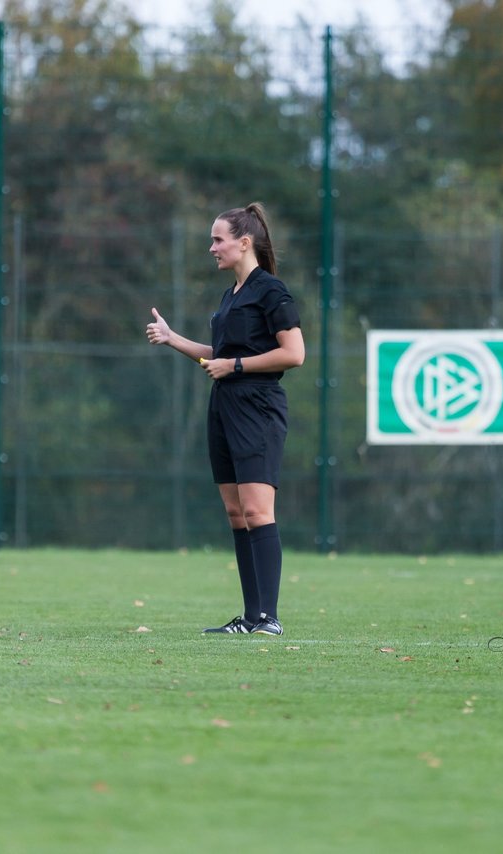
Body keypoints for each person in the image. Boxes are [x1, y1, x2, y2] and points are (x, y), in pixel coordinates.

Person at [146, 203, 305, 636]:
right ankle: (251, 617)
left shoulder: (271, 291)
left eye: (218, 239)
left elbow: (294, 354)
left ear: (244, 242)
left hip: (258, 408)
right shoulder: (231, 295)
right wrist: (173, 338)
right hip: (225, 407)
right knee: (237, 514)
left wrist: (235, 367)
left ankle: (269, 618)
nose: (211, 247)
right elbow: (221, 355)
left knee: (258, 510)